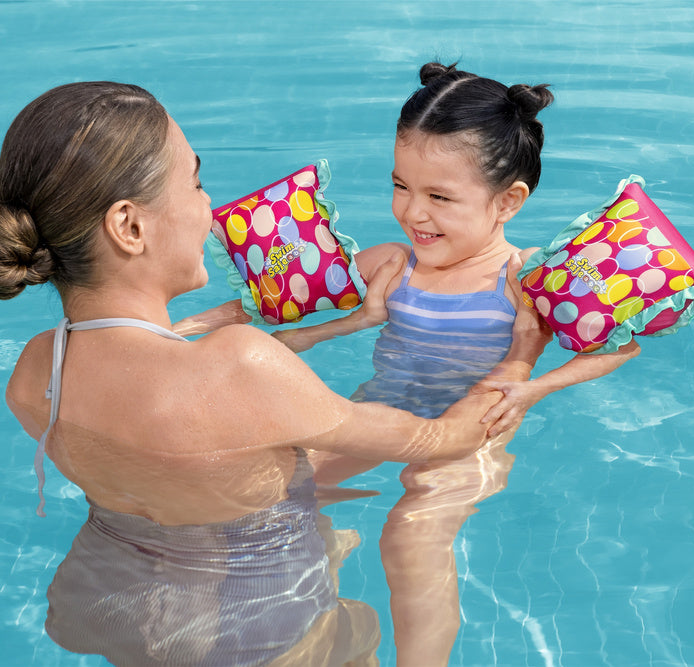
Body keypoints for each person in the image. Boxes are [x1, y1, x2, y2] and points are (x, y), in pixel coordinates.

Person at [0, 81, 526, 666]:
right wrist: (521, 352)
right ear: (129, 227)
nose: (210, 212)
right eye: (195, 181)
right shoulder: (242, 366)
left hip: (111, 608)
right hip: (264, 636)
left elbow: (194, 427)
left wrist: (342, 324)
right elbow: (443, 439)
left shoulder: (36, 372)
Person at [185, 63, 641, 666]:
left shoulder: (526, 279)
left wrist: (533, 386)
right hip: (377, 413)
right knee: (277, 495)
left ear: (507, 201)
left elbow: (618, 345)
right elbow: (263, 303)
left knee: (412, 534)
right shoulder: (391, 263)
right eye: (401, 186)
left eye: (439, 197)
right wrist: (180, 330)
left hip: (469, 436)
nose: (413, 213)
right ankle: (319, 613)